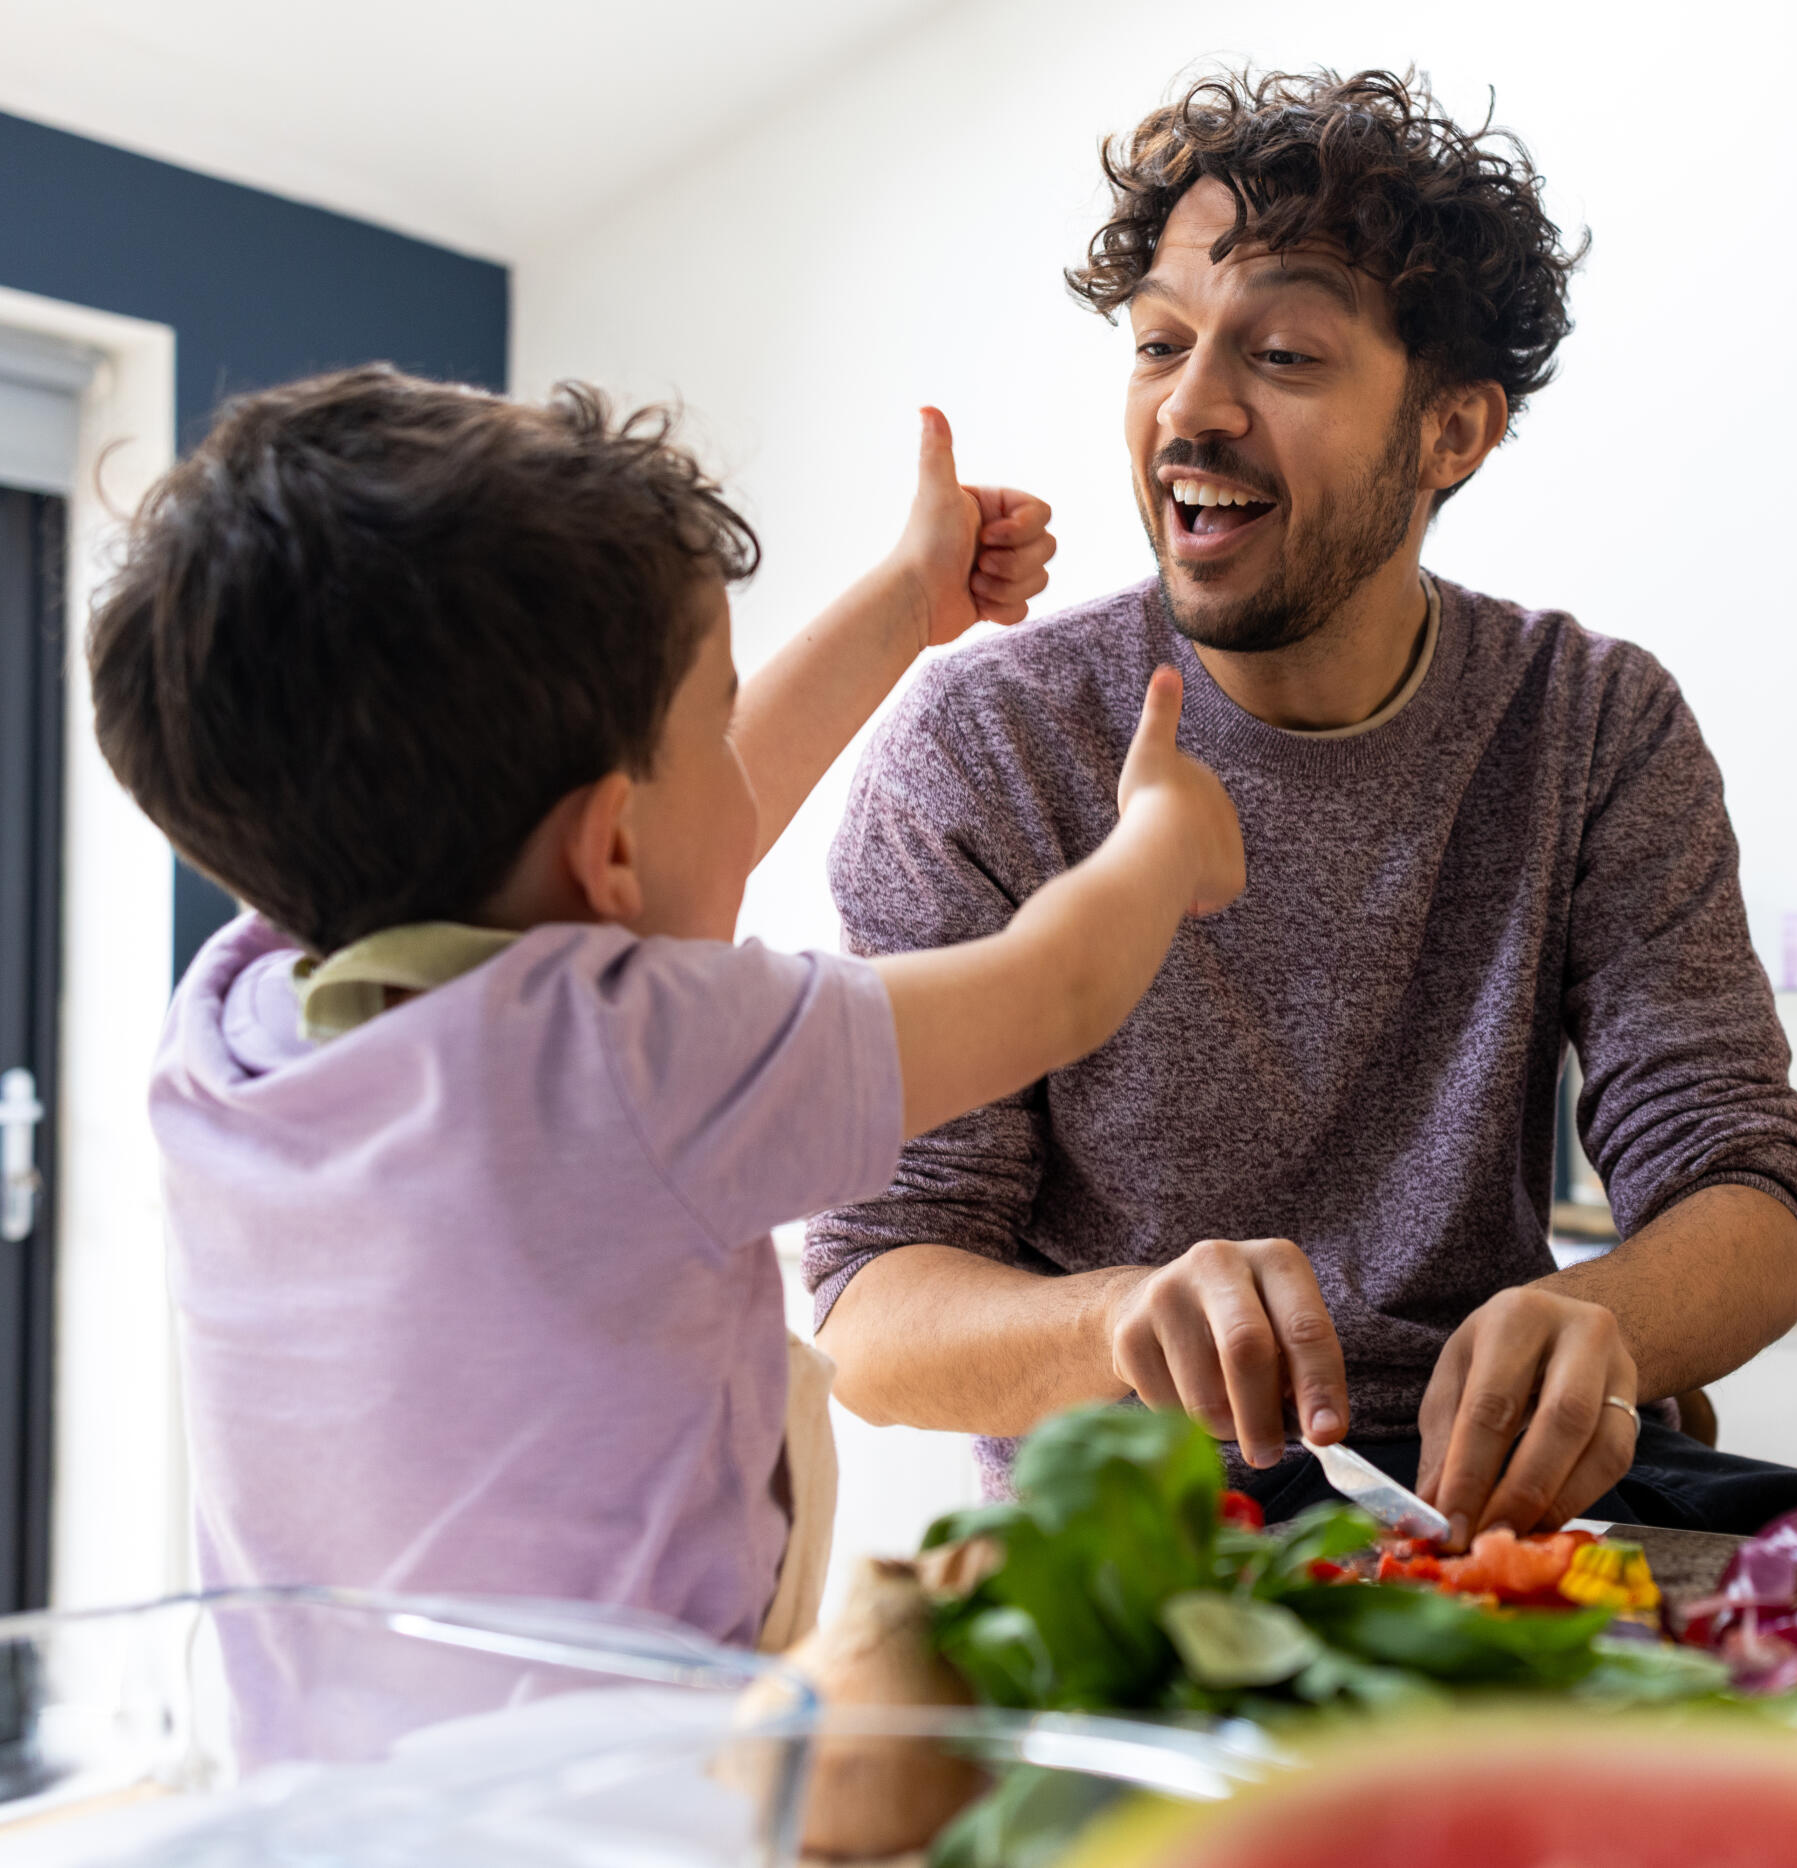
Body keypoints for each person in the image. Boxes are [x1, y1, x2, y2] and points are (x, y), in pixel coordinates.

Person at [808, 69, 1797, 1558]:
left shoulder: (1593, 721)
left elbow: (1741, 1198)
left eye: (1284, 354)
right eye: (1159, 343)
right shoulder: (989, 746)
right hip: (1166, 1550)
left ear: (1453, 433)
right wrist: (1126, 1320)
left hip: (1522, 1522)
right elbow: (871, 1307)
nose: (1190, 406)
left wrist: (1597, 1323)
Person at [92, 367, 1244, 1650]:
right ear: (610, 847)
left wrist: (904, 604)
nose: (736, 748)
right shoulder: (644, 1065)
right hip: (626, 1789)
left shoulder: (232, 1025)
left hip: (319, 1784)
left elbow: (640, 873)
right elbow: (1057, 983)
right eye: (716, 711)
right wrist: (1163, 839)